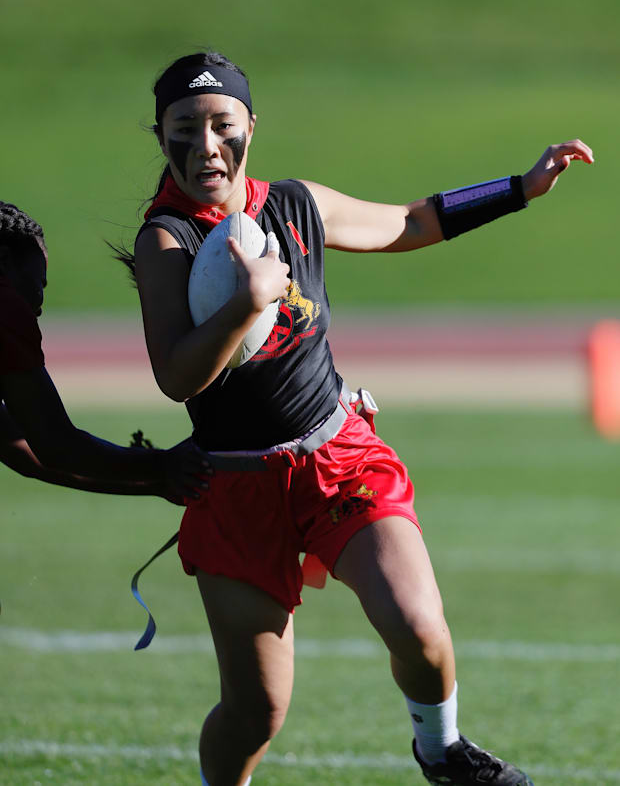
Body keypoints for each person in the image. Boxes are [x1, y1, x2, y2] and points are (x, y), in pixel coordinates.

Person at [127, 50, 593, 786]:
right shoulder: (166, 242)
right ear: (160, 137)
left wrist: (520, 188)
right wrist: (248, 302)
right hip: (237, 489)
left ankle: (440, 750)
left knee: (418, 626)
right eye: (185, 128)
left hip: (335, 456)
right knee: (255, 713)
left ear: (251, 127)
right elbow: (175, 375)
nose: (206, 145)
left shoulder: (294, 205)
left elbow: (410, 220)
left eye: (223, 124)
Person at [0, 200, 210, 501]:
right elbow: (54, 444)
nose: (37, 309)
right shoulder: (5, 308)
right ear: (3, 261)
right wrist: (165, 465)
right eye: (38, 285)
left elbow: (21, 449)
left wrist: (158, 480)